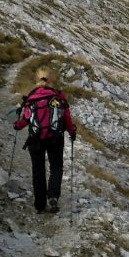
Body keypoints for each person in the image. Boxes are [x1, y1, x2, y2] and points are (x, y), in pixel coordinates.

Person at [14, 67, 77, 214]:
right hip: (55, 138)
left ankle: (40, 205)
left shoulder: (31, 98)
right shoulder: (58, 97)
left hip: (35, 139)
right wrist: (72, 131)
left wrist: (17, 126)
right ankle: (53, 195)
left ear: (37, 80)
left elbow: (25, 119)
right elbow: (66, 117)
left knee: (38, 170)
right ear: (51, 81)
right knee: (56, 167)